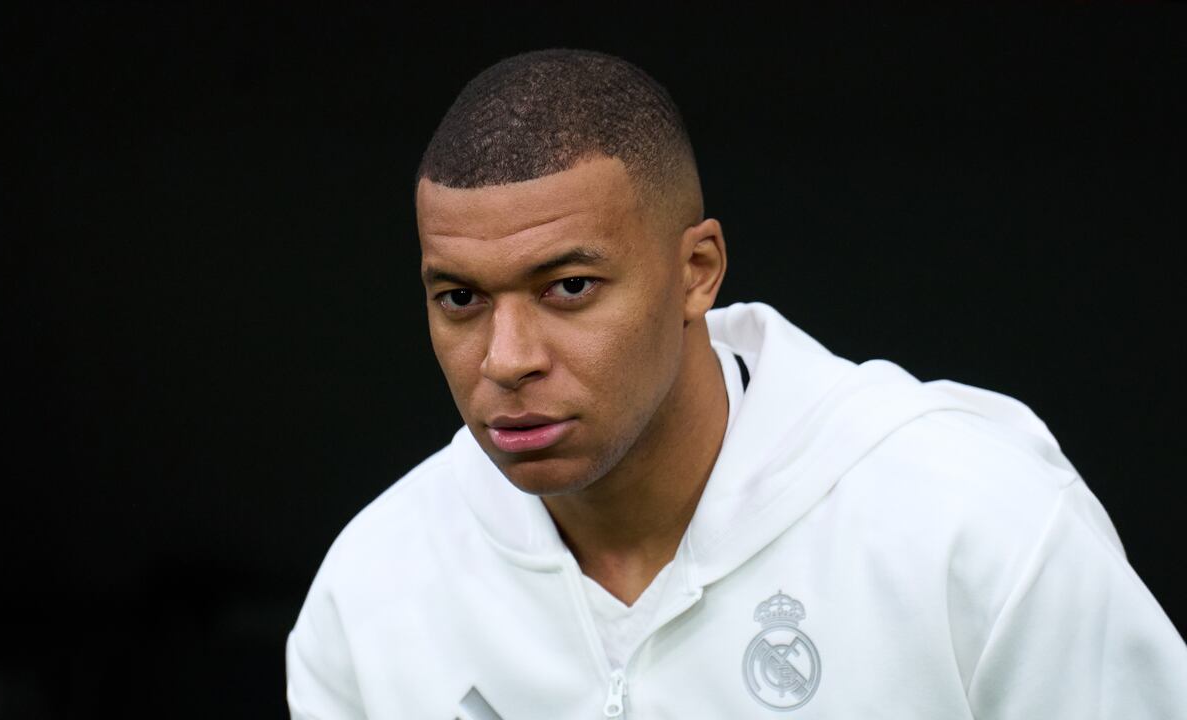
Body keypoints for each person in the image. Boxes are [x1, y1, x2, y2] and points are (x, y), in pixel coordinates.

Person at [286, 49, 1187, 719]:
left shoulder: (974, 526)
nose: (506, 356)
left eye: (569, 288)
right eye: (460, 298)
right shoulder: (373, 592)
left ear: (698, 271)